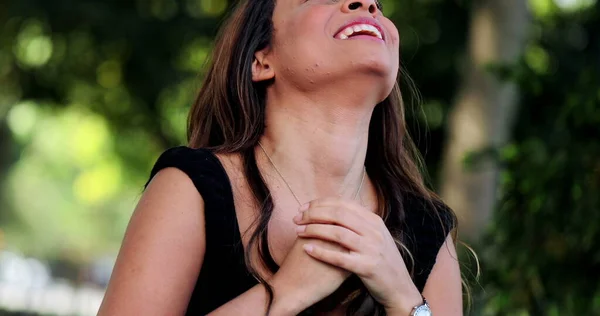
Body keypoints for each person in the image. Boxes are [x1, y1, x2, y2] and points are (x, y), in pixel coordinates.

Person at [98, 0, 463, 315]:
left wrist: (403, 298)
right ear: (262, 59)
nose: (365, 4)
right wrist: (284, 293)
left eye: (376, 4)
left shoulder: (427, 226)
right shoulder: (191, 188)